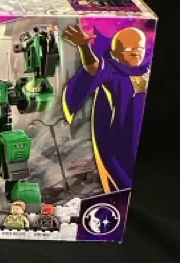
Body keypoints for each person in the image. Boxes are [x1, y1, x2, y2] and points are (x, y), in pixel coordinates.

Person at [63, 24, 150, 192]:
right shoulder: (112, 72)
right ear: (116, 52)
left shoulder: (146, 71)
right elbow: (93, 67)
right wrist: (84, 47)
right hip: (121, 140)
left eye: (140, 49)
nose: (136, 53)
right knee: (123, 180)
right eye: (129, 49)